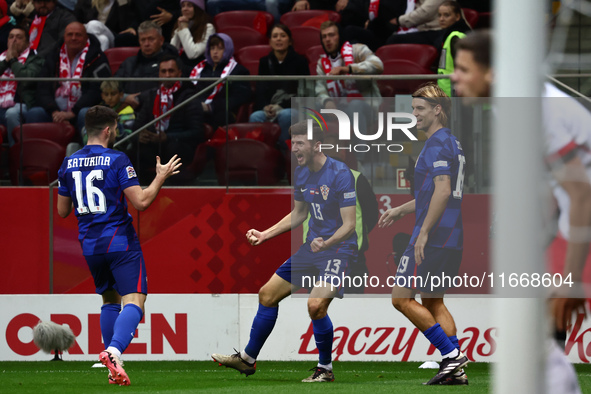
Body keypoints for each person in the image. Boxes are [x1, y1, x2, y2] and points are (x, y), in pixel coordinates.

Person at [451, 30, 589, 393]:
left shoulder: (533, 109)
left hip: (583, 216)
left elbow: (581, 194)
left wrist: (571, 278)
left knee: (538, 344)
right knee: (540, 344)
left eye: (463, 69)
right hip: (573, 222)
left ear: (492, 73)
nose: (454, 76)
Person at [212, 121, 358, 382]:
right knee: (267, 295)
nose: (295, 149)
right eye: (294, 143)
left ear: (317, 145)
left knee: (316, 306)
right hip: (312, 249)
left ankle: (325, 369)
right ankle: (247, 360)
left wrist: (326, 243)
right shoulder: (301, 172)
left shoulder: (340, 173)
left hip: (339, 250)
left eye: (301, 143)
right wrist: (265, 234)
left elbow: (349, 225)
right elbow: (299, 214)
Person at [56, 105, 182, 386]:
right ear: (109, 130)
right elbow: (142, 201)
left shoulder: (69, 162)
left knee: (110, 300)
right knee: (136, 300)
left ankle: (112, 364)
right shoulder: (116, 159)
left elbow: (62, 210)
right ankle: (113, 352)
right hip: (120, 241)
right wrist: (160, 176)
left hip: (90, 246)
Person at [379, 83, 469, 386]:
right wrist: (400, 211)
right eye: (413, 108)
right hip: (451, 236)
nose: (413, 114)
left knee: (400, 298)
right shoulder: (452, 142)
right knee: (433, 302)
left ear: (437, 110)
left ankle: (452, 356)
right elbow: (434, 193)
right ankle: (456, 371)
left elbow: (442, 191)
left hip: (435, 236)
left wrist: (422, 234)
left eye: (419, 109)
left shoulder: (436, 144)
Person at [313, 132, 379, 293]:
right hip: (327, 256)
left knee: (319, 309)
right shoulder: (357, 178)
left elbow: (370, 216)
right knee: (348, 309)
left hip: (336, 256)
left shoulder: (312, 179)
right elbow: (371, 216)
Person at [25, 22, 111, 134]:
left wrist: (72, 112)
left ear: (86, 37)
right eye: (70, 34)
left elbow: (96, 90)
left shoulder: (98, 57)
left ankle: (87, 151)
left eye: (78, 35)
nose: (74, 38)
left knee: (87, 113)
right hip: (54, 111)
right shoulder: (53, 55)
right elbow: (42, 88)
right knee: (34, 113)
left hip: (80, 110)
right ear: (64, 37)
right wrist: (54, 111)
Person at [315, 20, 382, 162]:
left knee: (354, 106)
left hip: (366, 107)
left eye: (331, 35)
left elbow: (378, 65)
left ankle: (360, 159)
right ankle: (318, 160)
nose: (327, 39)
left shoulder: (357, 50)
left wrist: (349, 69)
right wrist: (326, 101)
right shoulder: (322, 63)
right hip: (338, 107)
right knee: (314, 107)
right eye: (324, 37)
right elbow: (320, 87)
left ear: (339, 36)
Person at [133, 54, 203, 184]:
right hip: (155, 147)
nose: (167, 75)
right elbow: (137, 126)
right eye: (163, 71)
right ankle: (139, 192)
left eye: (171, 71)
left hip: (179, 146)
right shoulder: (152, 95)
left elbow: (197, 132)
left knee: (173, 148)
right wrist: (140, 136)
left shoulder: (189, 96)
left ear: (179, 73)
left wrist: (168, 137)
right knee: (135, 150)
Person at [249, 23, 309, 148]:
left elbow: (303, 93)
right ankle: (264, 151)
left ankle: (283, 150)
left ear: (290, 41)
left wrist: (280, 106)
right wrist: (265, 106)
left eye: (283, 36)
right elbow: (260, 89)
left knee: (286, 115)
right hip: (269, 107)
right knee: (255, 116)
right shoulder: (264, 62)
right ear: (270, 42)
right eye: (275, 36)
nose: (279, 39)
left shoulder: (300, 62)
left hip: (292, 106)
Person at [190, 33, 251, 128]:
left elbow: (239, 97)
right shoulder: (201, 68)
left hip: (222, 112)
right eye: (212, 48)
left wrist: (212, 107)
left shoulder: (238, 70)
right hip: (198, 108)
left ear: (228, 49)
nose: (215, 52)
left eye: (220, 48)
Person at [115, 21, 179, 111]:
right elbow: (112, 87)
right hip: (126, 109)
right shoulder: (129, 63)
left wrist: (139, 98)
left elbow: (171, 88)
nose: (146, 44)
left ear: (161, 40)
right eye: (143, 40)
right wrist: (125, 97)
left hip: (157, 111)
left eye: (151, 39)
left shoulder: (170, 64)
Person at [0, 26, 44, 146]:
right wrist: (5, 62)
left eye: (19, 37)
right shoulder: (1, 58)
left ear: (27, 43)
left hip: (22, 104)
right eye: (11, 37)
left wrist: (13, 61)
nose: (14, 40)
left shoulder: (35, 59)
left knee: (12, 114)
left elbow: (26, 79)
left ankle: (17, 152)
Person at [74, 0, 140, 51]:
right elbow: (76, 18)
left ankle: (87, 54)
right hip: (87, 32)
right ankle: (97, 64)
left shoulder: (124, 3)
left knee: (94, 24)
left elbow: (124, 26)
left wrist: (122, 3)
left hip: (111, 35)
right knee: (103, 40)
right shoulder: (87, 1)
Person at [436, 1, 471, 96]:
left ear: (457, 16)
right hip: (450, 96)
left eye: (446, 15)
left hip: (457, 97)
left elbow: (463, 69)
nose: (441, 19)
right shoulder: (450, 35)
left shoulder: (456, 37)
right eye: (439, 15)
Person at [170, 0, 215, 71]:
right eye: (183, 6)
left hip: (198, 70)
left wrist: (184, 29)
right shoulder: (183, 24)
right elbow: (172, 53)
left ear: (198, 8)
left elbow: (193, 54)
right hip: (181, 69)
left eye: (189, 5)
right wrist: (178, 29)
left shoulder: (208, 28)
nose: (185, 9)